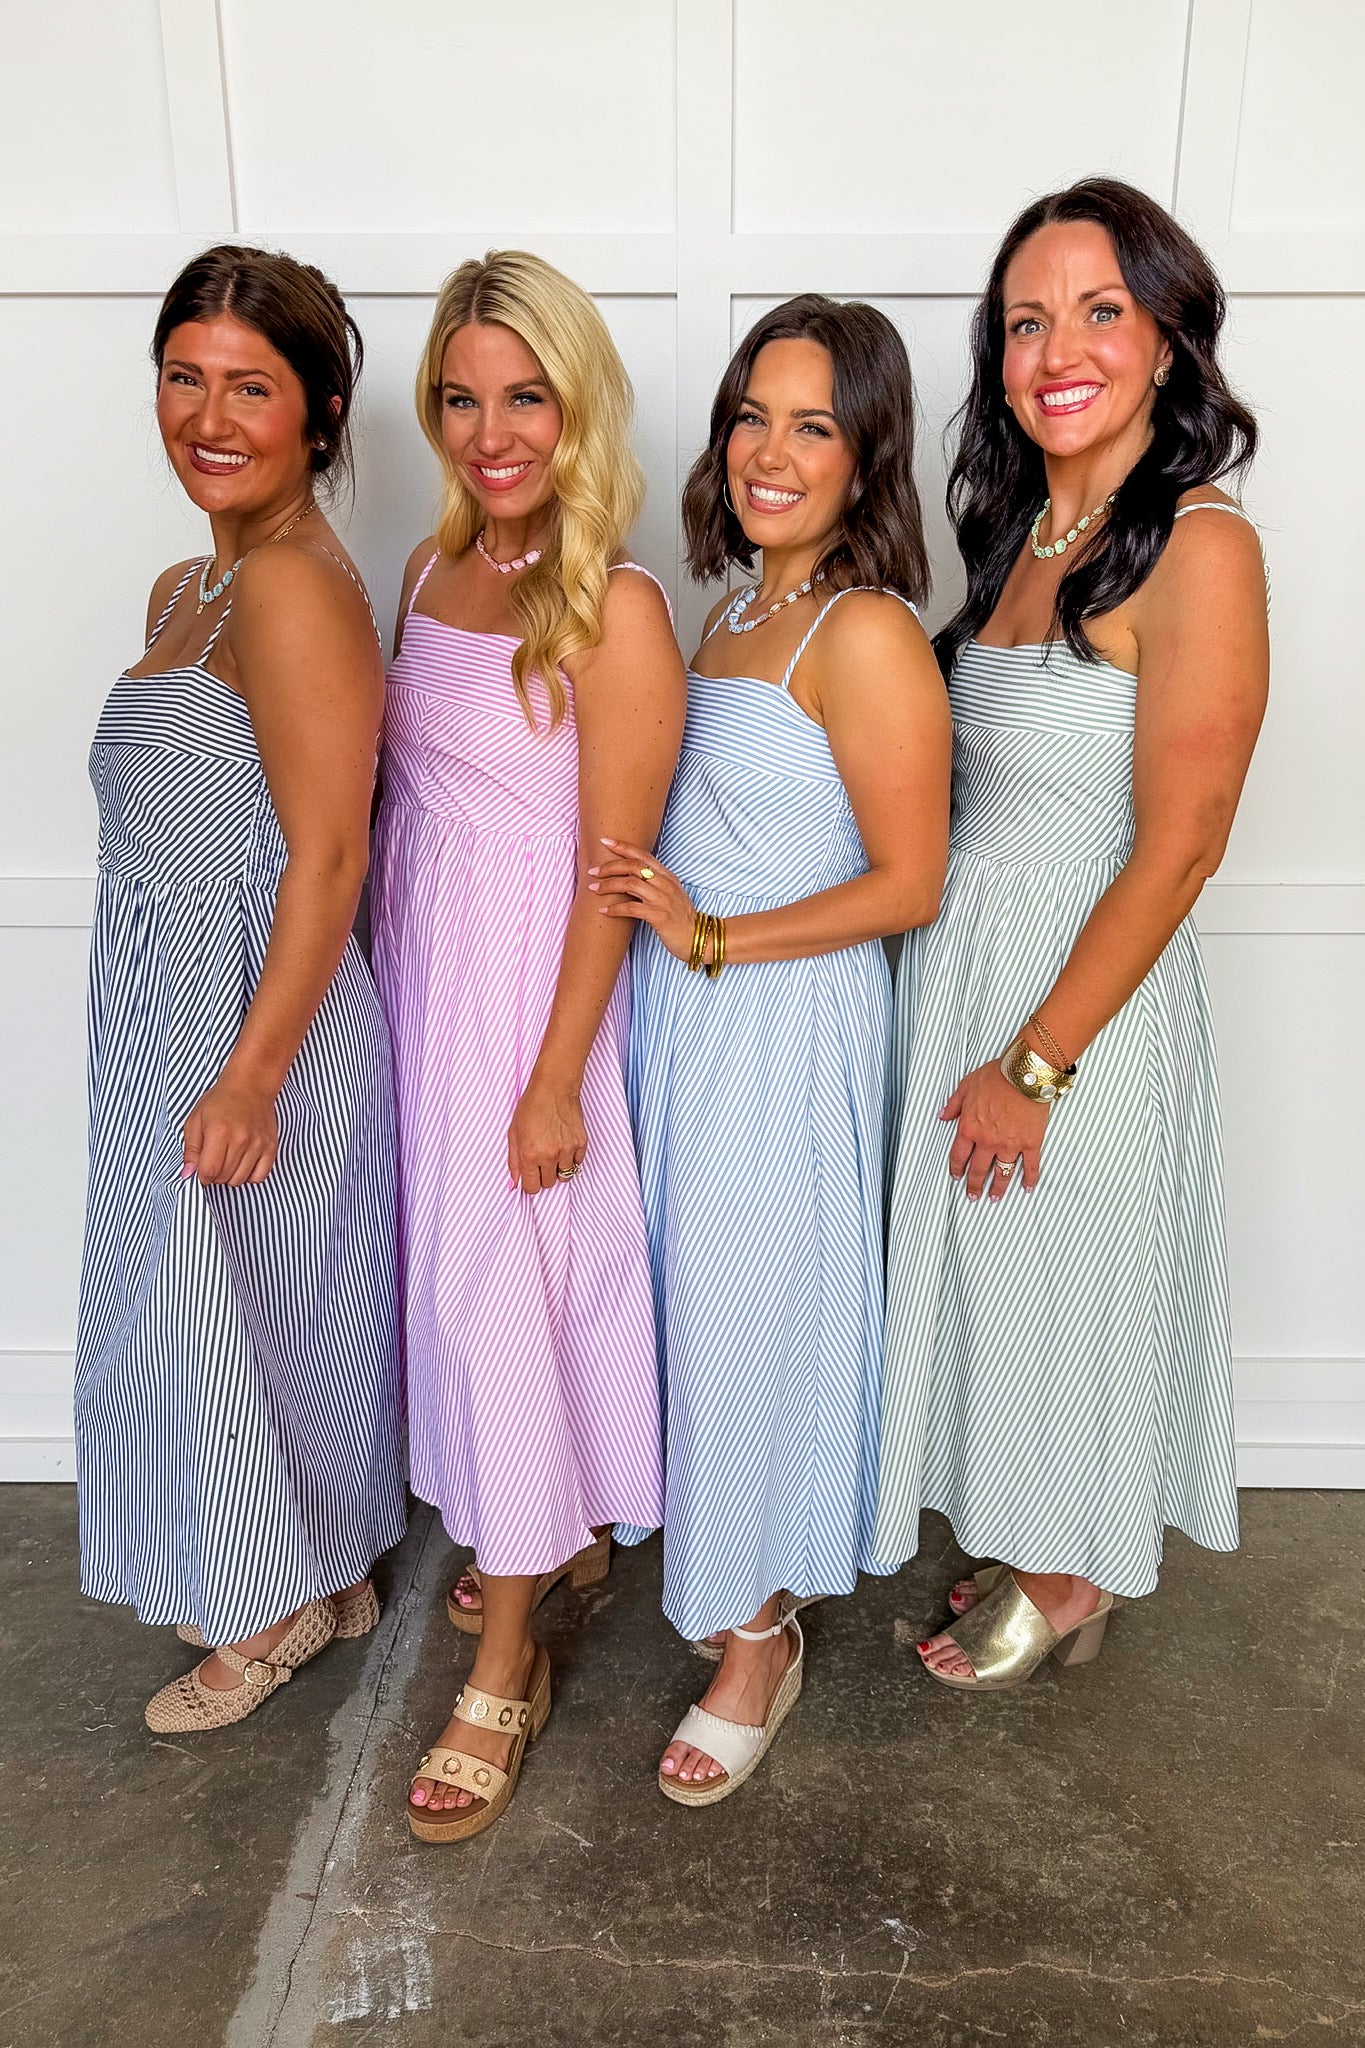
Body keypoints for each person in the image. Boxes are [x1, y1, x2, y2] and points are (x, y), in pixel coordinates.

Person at [873, 177, 1269, 1690]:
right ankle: (1038, 1521)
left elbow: (1182, 845)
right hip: (969, 956)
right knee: (1007, 1284)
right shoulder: (1020, 524)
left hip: (1081, 995)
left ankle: (1072, 1570)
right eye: (1027, 321)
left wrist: (1036, 1060)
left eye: (1101, 311)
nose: (1059, 350)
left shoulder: (1199, 546)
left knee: (1069, 1286)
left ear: (1167, 338)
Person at [594, 295, 950, 1803]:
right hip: (688, 1026)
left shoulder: (863, 632)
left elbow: (909, 882)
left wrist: (717, 937)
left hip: (781, 1029)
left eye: (813, 424)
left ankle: (758, 1638)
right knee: (688, 1315)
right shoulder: (731, 613)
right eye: (752, 415)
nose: (769, 451)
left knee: (755, 1327)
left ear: (867, 455)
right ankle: (718, 1562)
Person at [370, 251, 685, 1843]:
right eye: (461, 398)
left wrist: (557, 1075)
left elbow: (611, 872)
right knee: (455, 1291)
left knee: (510, 1296)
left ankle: (506, 1665)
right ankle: (541, 1529)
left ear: (579, 406)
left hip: (527, 1002)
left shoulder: (614, 606)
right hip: (423, 982)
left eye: (526, 398)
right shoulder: (428, 572)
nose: (492, 433)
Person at [76, 246, 406, 1731]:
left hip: (254, 1016)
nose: (209, 418)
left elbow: (330, 855)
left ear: (321, 414)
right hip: (169, 1000)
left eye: (251, 389)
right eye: (184, 378)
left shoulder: (288, 590)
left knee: (222, 1315)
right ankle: (322, 1567)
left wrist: (255, 1074)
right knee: (254, 1314)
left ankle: (269, 1605)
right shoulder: (190, 584)